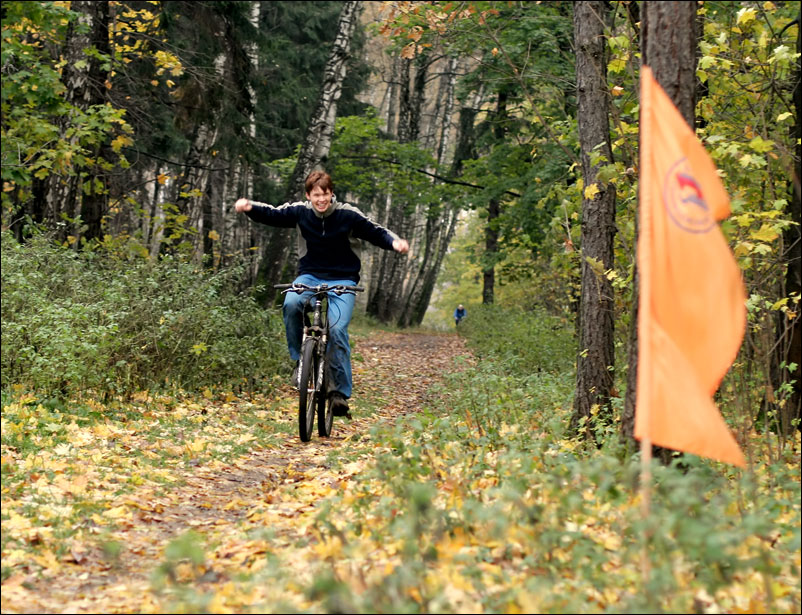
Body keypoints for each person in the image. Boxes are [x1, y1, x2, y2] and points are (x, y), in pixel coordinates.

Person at [234, 170, 409, 419]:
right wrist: (249, 207)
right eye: (316, 195)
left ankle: (339, 394)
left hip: (343, 279)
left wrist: (394, 243)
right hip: (309, 275)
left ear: (331, 193)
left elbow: (375, 231)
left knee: (337, 330)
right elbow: (273, 214)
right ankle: (301, 361)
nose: (321, 200)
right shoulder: (300, 212)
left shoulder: (348, 215)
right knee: (291, 303)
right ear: (308, 195)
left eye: (325, 194)